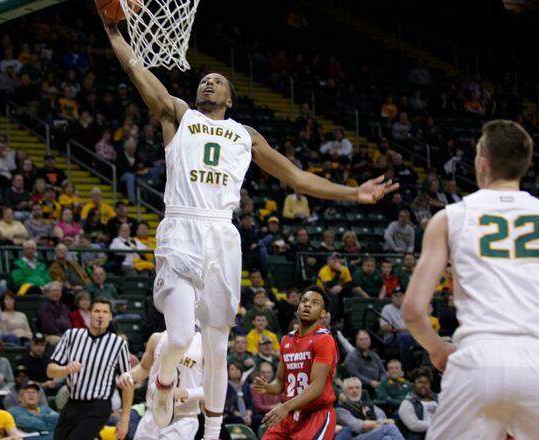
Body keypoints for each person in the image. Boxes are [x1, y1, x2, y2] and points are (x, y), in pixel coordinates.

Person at [100, 14, 396, 439]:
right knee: (180, 336)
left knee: (218, 345)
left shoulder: (245, 135)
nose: (209, 83)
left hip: (222, 234)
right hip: (183, 225)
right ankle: (163, 382)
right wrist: (113, 33)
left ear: (231, 98)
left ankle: (215, 430)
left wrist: (354, 194)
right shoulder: (178, 115)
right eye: (204, 79)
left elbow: (297, 178)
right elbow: (135, 69)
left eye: (218, 81)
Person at [401, 120, 539, 439]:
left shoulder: (451, 217)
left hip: (478, 359)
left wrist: (436, 350)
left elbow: (412, 310)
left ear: (482, 163)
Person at [253, 287, 337, 440]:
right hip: (291, 414)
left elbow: (317, 387)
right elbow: (280, 382)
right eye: (304, 301)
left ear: (323, 313)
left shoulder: (324, 339)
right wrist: (267, 388)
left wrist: (285, 406)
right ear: (298, 308)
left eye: (315, 303)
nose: (307, 305)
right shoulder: (286, 340)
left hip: (316, 415)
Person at [47, 297, 133, 440]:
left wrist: (125, 419)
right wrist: (66, 369)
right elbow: (50, 370)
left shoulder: (118, 344)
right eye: (97, 311)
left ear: (110, 317)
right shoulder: (71, 335)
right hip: (72, 404)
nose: (101, 315)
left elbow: (128, 383)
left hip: (98, 406)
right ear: (89, 314)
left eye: (105, 312)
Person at [120, 331, 203, 440]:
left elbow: (215, 391)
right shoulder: (157, 338)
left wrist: (186, 393)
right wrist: (129, 375)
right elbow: (145, 367)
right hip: (152, 415)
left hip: (182, 419)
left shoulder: (203, 343)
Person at [335, 377, 403, 440]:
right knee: (389, 427)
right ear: (344, 391)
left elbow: (383, 418)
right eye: (350, 388)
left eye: (357, 388)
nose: (355, 390)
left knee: (387, 438)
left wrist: (373, 424)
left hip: (374, 434)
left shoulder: (370, 405)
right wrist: (378, 423)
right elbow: (358, 427)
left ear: (361, 390)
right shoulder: (340, 410)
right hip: (356, 437)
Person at [397, 368, 437, 440]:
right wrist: (439, 424)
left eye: (426, 382)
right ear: (413, 384)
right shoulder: (407, 403)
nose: (423, 385)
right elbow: (414, 425)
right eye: (420, 382)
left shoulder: (439, 398)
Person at [379, 290, 416, 369]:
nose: (399, 298)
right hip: (391, 337)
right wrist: (401, 330)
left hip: (409, 334)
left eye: (401, 295)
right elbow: (383, 327)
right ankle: (406, 366)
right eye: (396, 296)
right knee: (406, 336)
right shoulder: (387, 308)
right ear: (392, 297)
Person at [344, 330, 387, 397]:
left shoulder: (374, 355)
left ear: (370, 340)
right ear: (356, 341)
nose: (364, 341)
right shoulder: (351, 358)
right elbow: (355, 375)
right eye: (361, 339)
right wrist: (370, 382)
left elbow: (383, 372)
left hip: (378, 387)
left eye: (366, 339)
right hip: (361, 389)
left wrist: (382, 383)